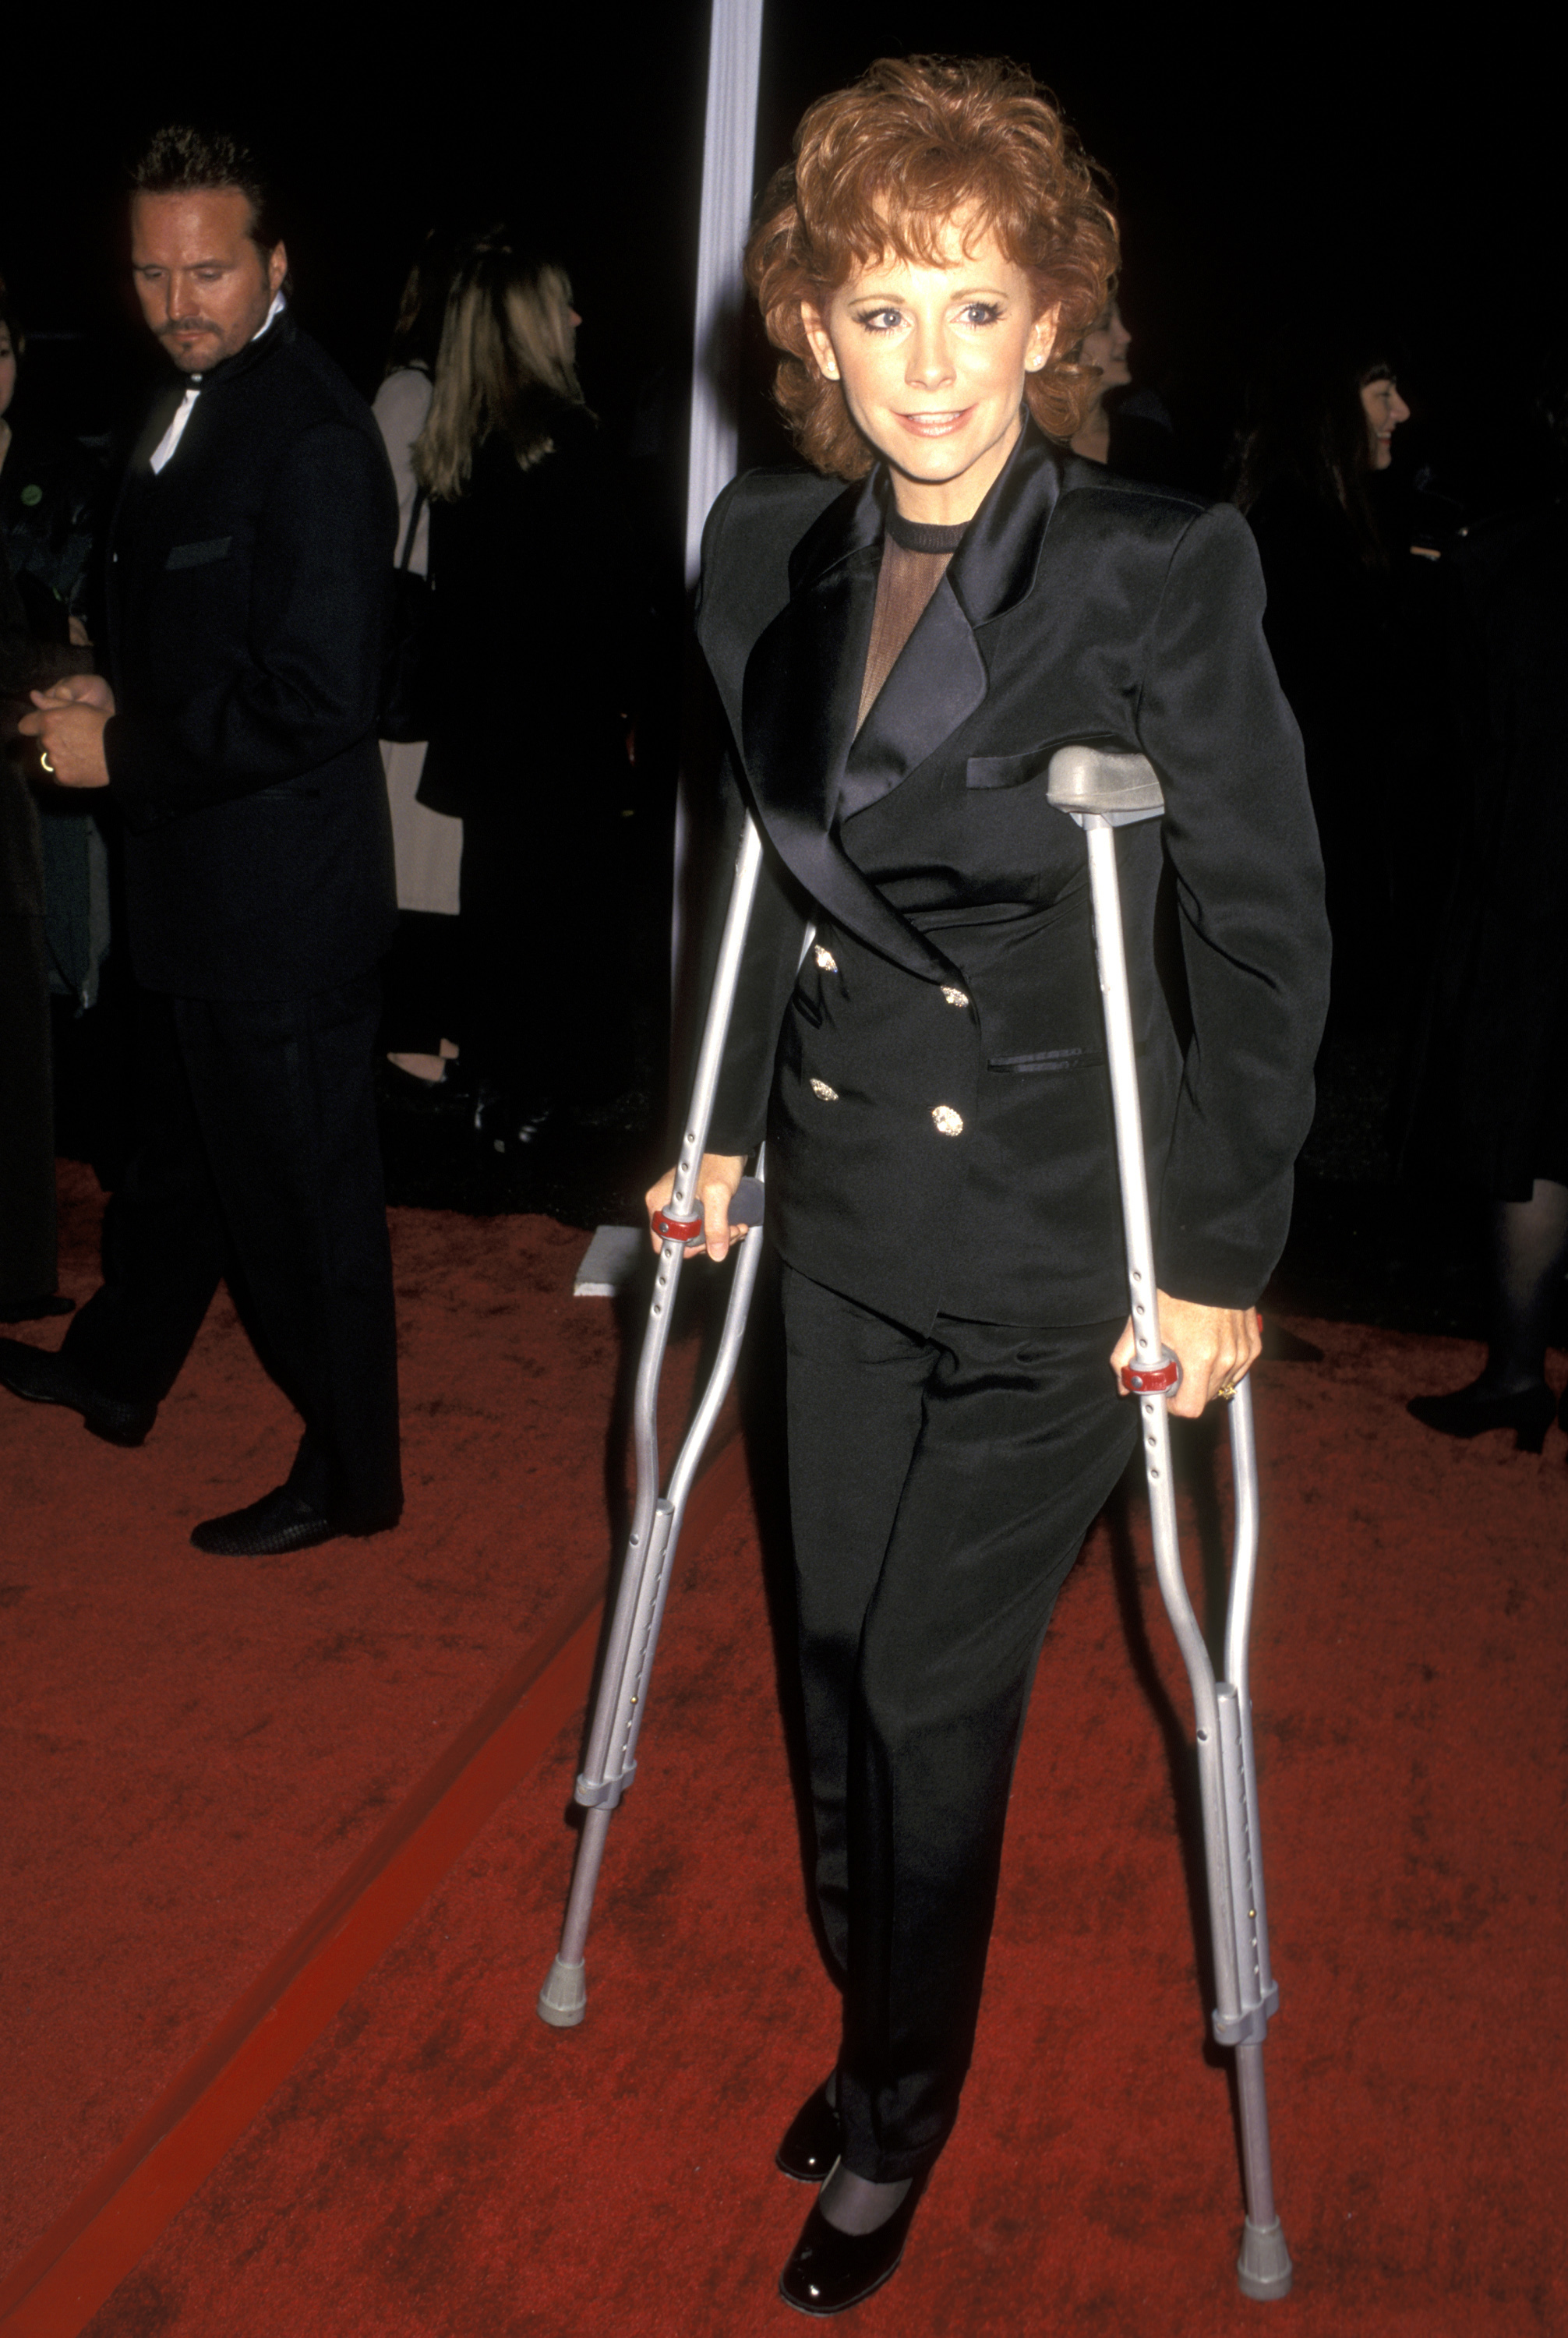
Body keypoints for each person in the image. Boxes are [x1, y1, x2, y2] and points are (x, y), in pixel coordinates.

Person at [645, 55, 1329, 2316]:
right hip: (841, 1229)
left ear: (1049, 320)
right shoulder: (761, 547)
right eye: (876, 312)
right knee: (834, 1660)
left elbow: (1258, 923)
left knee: (930, 1693)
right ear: (813, 333)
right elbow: (759, 878)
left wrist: (1217, 1251)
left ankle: (896, 2114)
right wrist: (718, 1123)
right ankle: (878, 2015)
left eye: (969, 308)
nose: (924, 367)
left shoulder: (1159, 566)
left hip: (1063, 1243)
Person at [0, 125, 402, 1558]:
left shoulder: (310, 434)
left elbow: (320, 692)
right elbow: (201, 626)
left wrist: (133, 750)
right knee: (179, 1163)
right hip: (193, 884)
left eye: (210, 269)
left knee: (302, 1209)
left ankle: (355, 1476)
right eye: (152, 270)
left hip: (278, 905)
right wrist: (114, 682)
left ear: (276, 264)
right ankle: (119, 1369)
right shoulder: (189, 398)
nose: (179, 297)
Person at [415, 230, 634, 1150]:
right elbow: (607, 608)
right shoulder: (566, 445)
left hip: (489, 735)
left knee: (501, 911)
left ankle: (501, 1085)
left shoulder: (457, 452)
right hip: (559, 731)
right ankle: (548, 1090)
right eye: (562, 304)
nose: (579, 319)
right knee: (565, 919)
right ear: (529, 325)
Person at [1404, 345, 1568, 1453]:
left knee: (1532, 1132)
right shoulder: (1496, 559)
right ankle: (1516, 1375)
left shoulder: (1501, 561)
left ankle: (1518, 1372)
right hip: (1533, 880)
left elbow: (1464, 756)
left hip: (1535, 886)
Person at [373, 231, 465, 1100]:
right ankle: (403, 1031)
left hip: (434, 655)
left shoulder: (432, 394)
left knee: (434, 851)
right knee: (414, 852)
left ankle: (420, 1021)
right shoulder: (409, 393)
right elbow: (380, 529)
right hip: (408, 655)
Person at [1067, 293, 1182, 483]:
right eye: (1104, 326)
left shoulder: (1149, 441)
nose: (1126, 336)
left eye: (1120, 321)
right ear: (1064, 344)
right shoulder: (1023, 443)